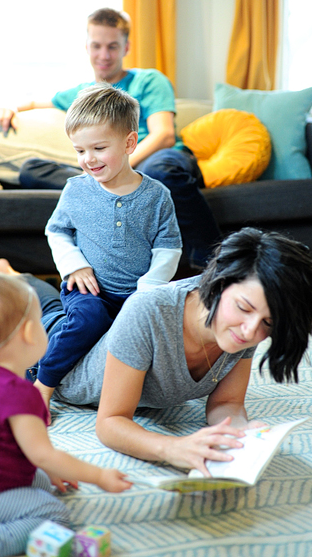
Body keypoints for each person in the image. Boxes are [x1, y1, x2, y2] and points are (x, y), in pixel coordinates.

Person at [0, 187, 312, 476]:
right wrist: (171, 448)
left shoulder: (240, 326)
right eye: (245, 309)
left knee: (53, 310)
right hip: (54, 362)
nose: (252, 330)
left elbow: (226, 405)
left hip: (89, 334)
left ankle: (15, 278)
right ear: (219, 281)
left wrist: (241, 434)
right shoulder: (151, 310)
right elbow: (110, 422)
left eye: (268, 323)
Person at [0, 8, 220, 270]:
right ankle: (104, 187)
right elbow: (35, 100)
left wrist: (122, 166)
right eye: (97, 46)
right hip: (110, 168)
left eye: (112, 46)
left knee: (161, 170)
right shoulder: (84, 92)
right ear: (86, 47)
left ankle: (214, 264)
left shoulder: (149, 80)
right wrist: (9, 105)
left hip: (154, 159)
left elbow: (164, 134)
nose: (104, 55)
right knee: (32, 169)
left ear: (126, 47)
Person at [0, 270, 131, 557]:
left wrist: (49, 470)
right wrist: (98, 475)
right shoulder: (22, 396)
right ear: (28, 332)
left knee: (40, 479)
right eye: (38, 322)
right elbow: (44, 455)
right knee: (54, 512)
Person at [35, 84, 181, 406]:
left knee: (163, 334)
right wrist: (75, 263)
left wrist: (151, 285)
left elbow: (169, 247)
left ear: (130, 142)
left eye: (99, 148)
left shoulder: (157, 196)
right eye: (79, 150)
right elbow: (56, 231)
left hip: (138, 294)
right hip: (89, 291)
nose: (88, 159)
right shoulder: (76, 190)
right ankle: (42, 386)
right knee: (88, 321)